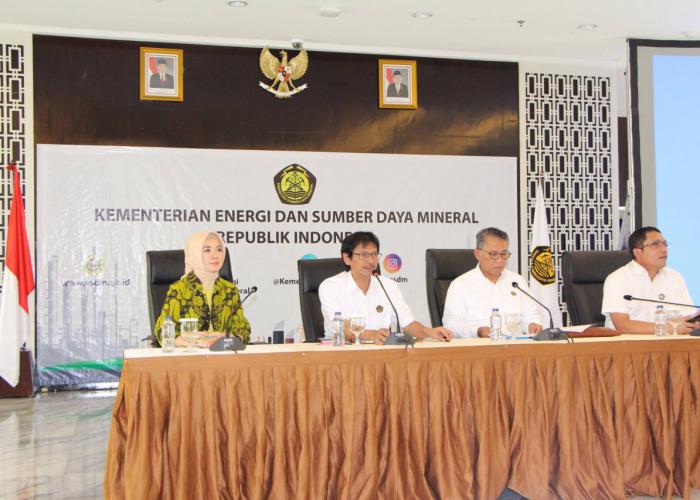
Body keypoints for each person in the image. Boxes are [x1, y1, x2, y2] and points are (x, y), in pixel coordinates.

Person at [318, 231, 453, 343]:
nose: (371, 261)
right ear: (347, 258)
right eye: (364, 255)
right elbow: (343, 328)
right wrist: (373, 335)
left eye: (374, 254)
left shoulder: (388, 286)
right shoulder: (331, 287)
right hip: (344, 356)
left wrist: (430, 332)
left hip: (383, 355)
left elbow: (407, 324)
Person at [442, 227, 543, 338]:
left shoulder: (517, 282)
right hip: (479, 346)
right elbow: (451, 324)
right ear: (477, 254)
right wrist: (477, 331)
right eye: (493, 254)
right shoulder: (460, 285)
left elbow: (532, 315)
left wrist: (532, 324)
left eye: (504, 254)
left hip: (516, 345)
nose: (500, 260)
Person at [154, 231, 251, 345]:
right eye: (207, 250)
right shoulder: (179, 289)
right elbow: (164, 332)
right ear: (194, 254)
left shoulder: (230, 290)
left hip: (223, 352)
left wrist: (228, 336)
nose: (215, 255)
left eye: (219, 249)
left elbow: (242, 330)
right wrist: (195, 342)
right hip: (190, 353)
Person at [601, 226, 696, 334]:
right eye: (655, 244)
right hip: (628, 343)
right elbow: (622, 325)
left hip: (669, 342)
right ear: (638, 252)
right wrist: (669, 328)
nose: (664, 250)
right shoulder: (618, 279)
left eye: (665, 244)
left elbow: (688, 316)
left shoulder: (674, 277)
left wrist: (694, 323)